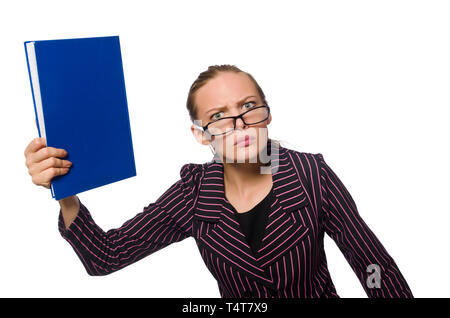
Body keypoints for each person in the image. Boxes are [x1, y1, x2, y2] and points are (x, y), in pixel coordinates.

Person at [23, 64, 413, 298]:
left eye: (248, 107)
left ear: (267, 113)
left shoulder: (312, 175)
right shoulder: (194, 194)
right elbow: (104, 257)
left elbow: (372, 266)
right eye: (219, 116)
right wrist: (66, 192)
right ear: (200, 134)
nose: (239, 124)